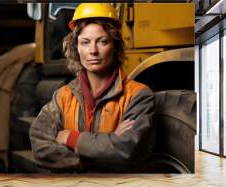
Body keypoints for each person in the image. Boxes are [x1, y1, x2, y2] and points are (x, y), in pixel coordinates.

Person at [29, 3, 155, 172]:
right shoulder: (62, 96)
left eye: (102, 41)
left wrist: (71, 138)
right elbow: (40, 146)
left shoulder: (138, 95)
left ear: (115, 45)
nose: (93, 51)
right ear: (76, 47)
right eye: (85, 42)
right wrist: (99, 154)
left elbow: (126, 149)